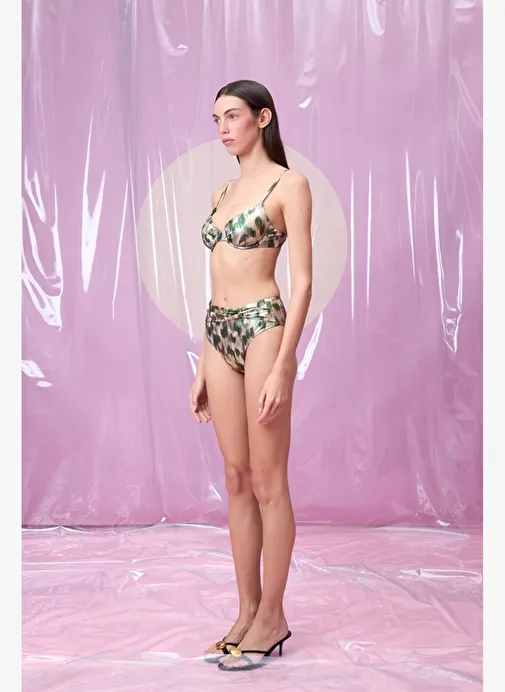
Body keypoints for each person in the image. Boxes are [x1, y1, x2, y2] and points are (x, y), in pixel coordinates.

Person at [189, 79, 312, 672]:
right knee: (236, 478)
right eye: (216, 119)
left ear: (263, 118)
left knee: (268, 481)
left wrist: (285, 362)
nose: (222, 128)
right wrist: (201, 363)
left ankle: (273, 616)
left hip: (264, 327)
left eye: (233, 116)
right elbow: (215, 281)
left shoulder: (290, 185)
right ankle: (245, 611)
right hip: (218, 332)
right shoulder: (222, 192)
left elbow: (303, 281)